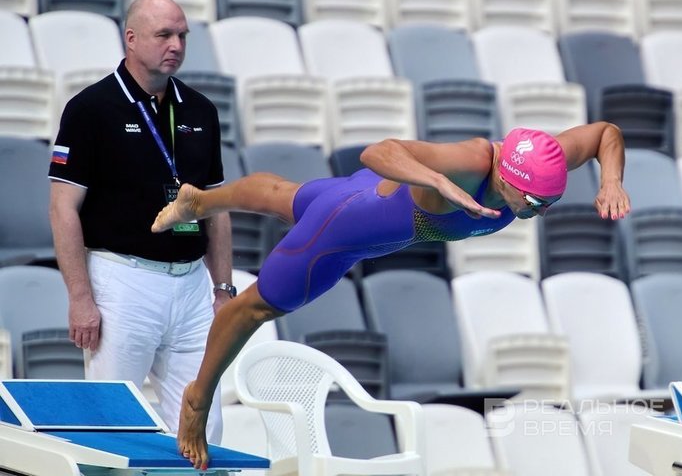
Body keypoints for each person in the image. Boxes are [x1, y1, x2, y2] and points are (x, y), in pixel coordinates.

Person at [152, 122, 631, 469]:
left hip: (371, 206)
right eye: (534, 204)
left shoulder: (538, 158)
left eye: (549, 204)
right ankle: (197, 398)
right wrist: (437, 181)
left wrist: (610, 180)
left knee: (283, 195)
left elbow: (604, 133)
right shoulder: (468, 162)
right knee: (253, 307)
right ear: (505, 177)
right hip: (348, 228)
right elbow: (377, 152)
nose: (541, 212)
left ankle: (199, 200)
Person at [48, 0, 231, 443]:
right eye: (164, 35)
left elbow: (214, 207)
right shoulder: (91, 109)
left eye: (183, 35)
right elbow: (62, 208)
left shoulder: (200, 111)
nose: (177, 45)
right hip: (123, 280)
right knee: (112, 426)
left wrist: (223, 288)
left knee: (204, 428)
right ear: (131, 39)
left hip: (190, 288)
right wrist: (80, 297)